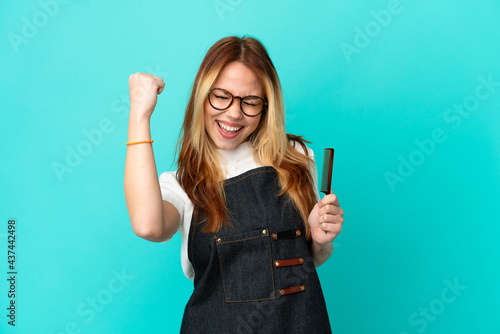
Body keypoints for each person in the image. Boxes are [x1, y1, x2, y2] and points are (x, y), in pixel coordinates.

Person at [124, 36, 344, 333]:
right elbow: (148, 226)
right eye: (221, 96)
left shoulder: (296, 158)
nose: (233, 113)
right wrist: (140, 113)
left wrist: (320, 238)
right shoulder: (182, 184)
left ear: (267, 107)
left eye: (250, 102)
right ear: (202, 96)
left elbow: (308, 262)